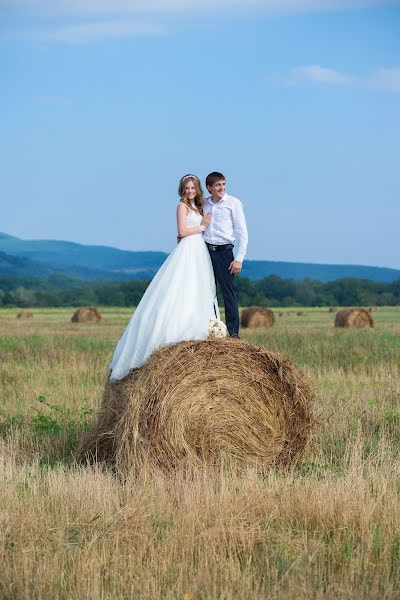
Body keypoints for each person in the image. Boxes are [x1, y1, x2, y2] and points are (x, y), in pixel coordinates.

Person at [109, 174, 219, 382]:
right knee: (180, 287)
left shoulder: (199, 207)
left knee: (197, 289)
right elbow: (182, 231)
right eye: (186, 188)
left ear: (197, 189)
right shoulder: (182, 207)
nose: (189, 191)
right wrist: (202, 226)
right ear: (182, 190)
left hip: (199, 251)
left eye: (192, 188)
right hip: (188, 249)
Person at [203, 172, 248, 337]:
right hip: (206, 252)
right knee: (207, 293)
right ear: (209, 188)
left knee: (228, 294)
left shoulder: (233, 203)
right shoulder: (204, 204)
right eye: (217, 185)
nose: (221, 188)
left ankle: (233, 334)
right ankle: (211, 330)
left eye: (223, 184)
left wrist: (239, 258)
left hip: (225, 253)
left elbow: (243, 233)